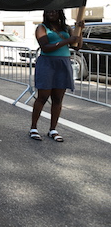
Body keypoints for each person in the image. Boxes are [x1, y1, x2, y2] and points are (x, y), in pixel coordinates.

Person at [30, 10, 83, 142]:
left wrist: (79, 30)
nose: (51, 13)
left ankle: (53, 129)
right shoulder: (42, 28)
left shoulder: (66, 28)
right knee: (42, 97)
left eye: (54, 11)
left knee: (58, 99)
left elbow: (77, 46)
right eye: (49, 11)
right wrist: (67, 41)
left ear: (60, 13)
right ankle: (34, 128)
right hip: (47, 64)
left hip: (63, 63)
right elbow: (45, 47)